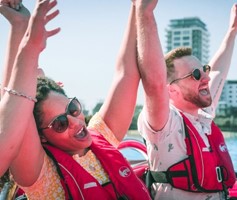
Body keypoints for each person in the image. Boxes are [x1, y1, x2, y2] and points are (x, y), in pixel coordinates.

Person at [0, 0, 151, 199]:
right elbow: (15, 102)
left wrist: (138, 7)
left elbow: (126, 74)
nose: (75, 121)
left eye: (73, 108)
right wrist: (21, 27)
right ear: (42, 137)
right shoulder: (40, 175)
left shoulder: (101, 135)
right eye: (60, 124)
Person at [134, 0, 237, 199]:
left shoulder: (203, 115)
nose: (206, 78)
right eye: (196, 75)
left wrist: (232, 32)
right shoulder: (166, 125)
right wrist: (145, 13)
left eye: (203, 71)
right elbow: (154, 83)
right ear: (171, 90)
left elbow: (218, 70)